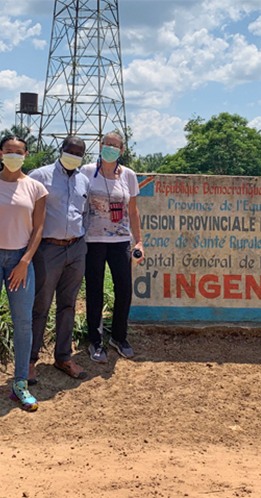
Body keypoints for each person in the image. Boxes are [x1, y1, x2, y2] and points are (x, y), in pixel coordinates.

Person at [0, 136, 48, 411]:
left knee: (23, 322)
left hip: (20, 260)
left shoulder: (36, 189)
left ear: (26, 154)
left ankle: (20, 383)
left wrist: (25, 261)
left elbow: (38, 229)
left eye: (19, 151)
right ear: (0, 153)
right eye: (8, 151)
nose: (13, 155)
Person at [27, 136, 89, 383]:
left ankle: (63, 356)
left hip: (76, 249)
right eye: (70, 151)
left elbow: (85, 214)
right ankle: (30, 361)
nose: (73, 156)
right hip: (47, 249)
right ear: (61, 150)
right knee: (40, 305)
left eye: (79, 153)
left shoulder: (84, 180)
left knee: (68, 305)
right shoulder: (39, 176)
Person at [81, 130, 144, 363]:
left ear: (122, 150)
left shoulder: (128, 175)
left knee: (124, 290)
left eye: (115, 145)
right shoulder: (87, 172)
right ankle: (95, 341)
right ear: (100, 145)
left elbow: (133, 211)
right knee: (94, 291)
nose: (110, 147)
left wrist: (138, 241)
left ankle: (119, 337)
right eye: (106, 144)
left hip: (120, 242)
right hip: (93, 241)